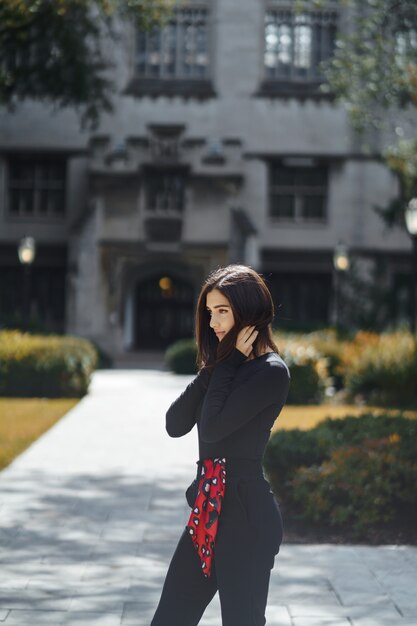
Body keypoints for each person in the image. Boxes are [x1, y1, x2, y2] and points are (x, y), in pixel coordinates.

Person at [150, 264, 290, 626]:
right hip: (207, 512)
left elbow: (212, 429)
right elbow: (174, 424)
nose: (213, 323)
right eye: (210, 312)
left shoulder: (271, 372)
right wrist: (215, 367)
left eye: (223, 312)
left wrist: (224, 367)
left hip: (246, 519)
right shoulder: (226, 367)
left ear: (249, 312)